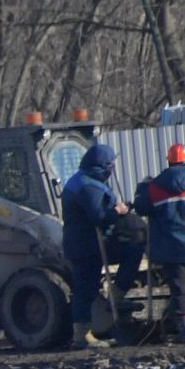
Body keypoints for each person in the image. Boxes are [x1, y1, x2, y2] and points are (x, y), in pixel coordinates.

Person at [132, 144, 185, 342]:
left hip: (172, 249)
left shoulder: (155, 187)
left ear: (169, 161)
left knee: (180, 292)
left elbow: (141, 207)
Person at [59, 144, 133, 347]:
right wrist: (117, 211)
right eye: (112, 164)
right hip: (85, 246)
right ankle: (81, 336)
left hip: (89, 243)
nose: (114, 167)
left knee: (131, 251)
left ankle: (116, 295)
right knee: (85, 289)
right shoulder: (87, 186)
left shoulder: (85, 180)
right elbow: (97, 217)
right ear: (103, 165)